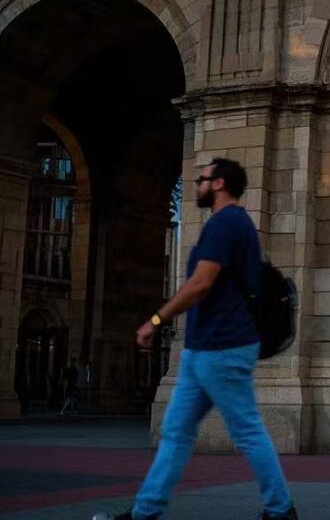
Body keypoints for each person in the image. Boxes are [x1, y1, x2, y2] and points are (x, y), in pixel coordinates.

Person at [94, 158, 296, 520]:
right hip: (202, 349)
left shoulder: (225, 223)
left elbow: (201, 283)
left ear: (219, 184)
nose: (196, 184)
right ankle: (145, 511)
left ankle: (281, 510)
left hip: (223, 347)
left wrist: (156, 319)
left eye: (202, 179)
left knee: (247, 431)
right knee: (176, 432)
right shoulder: (235, 224)